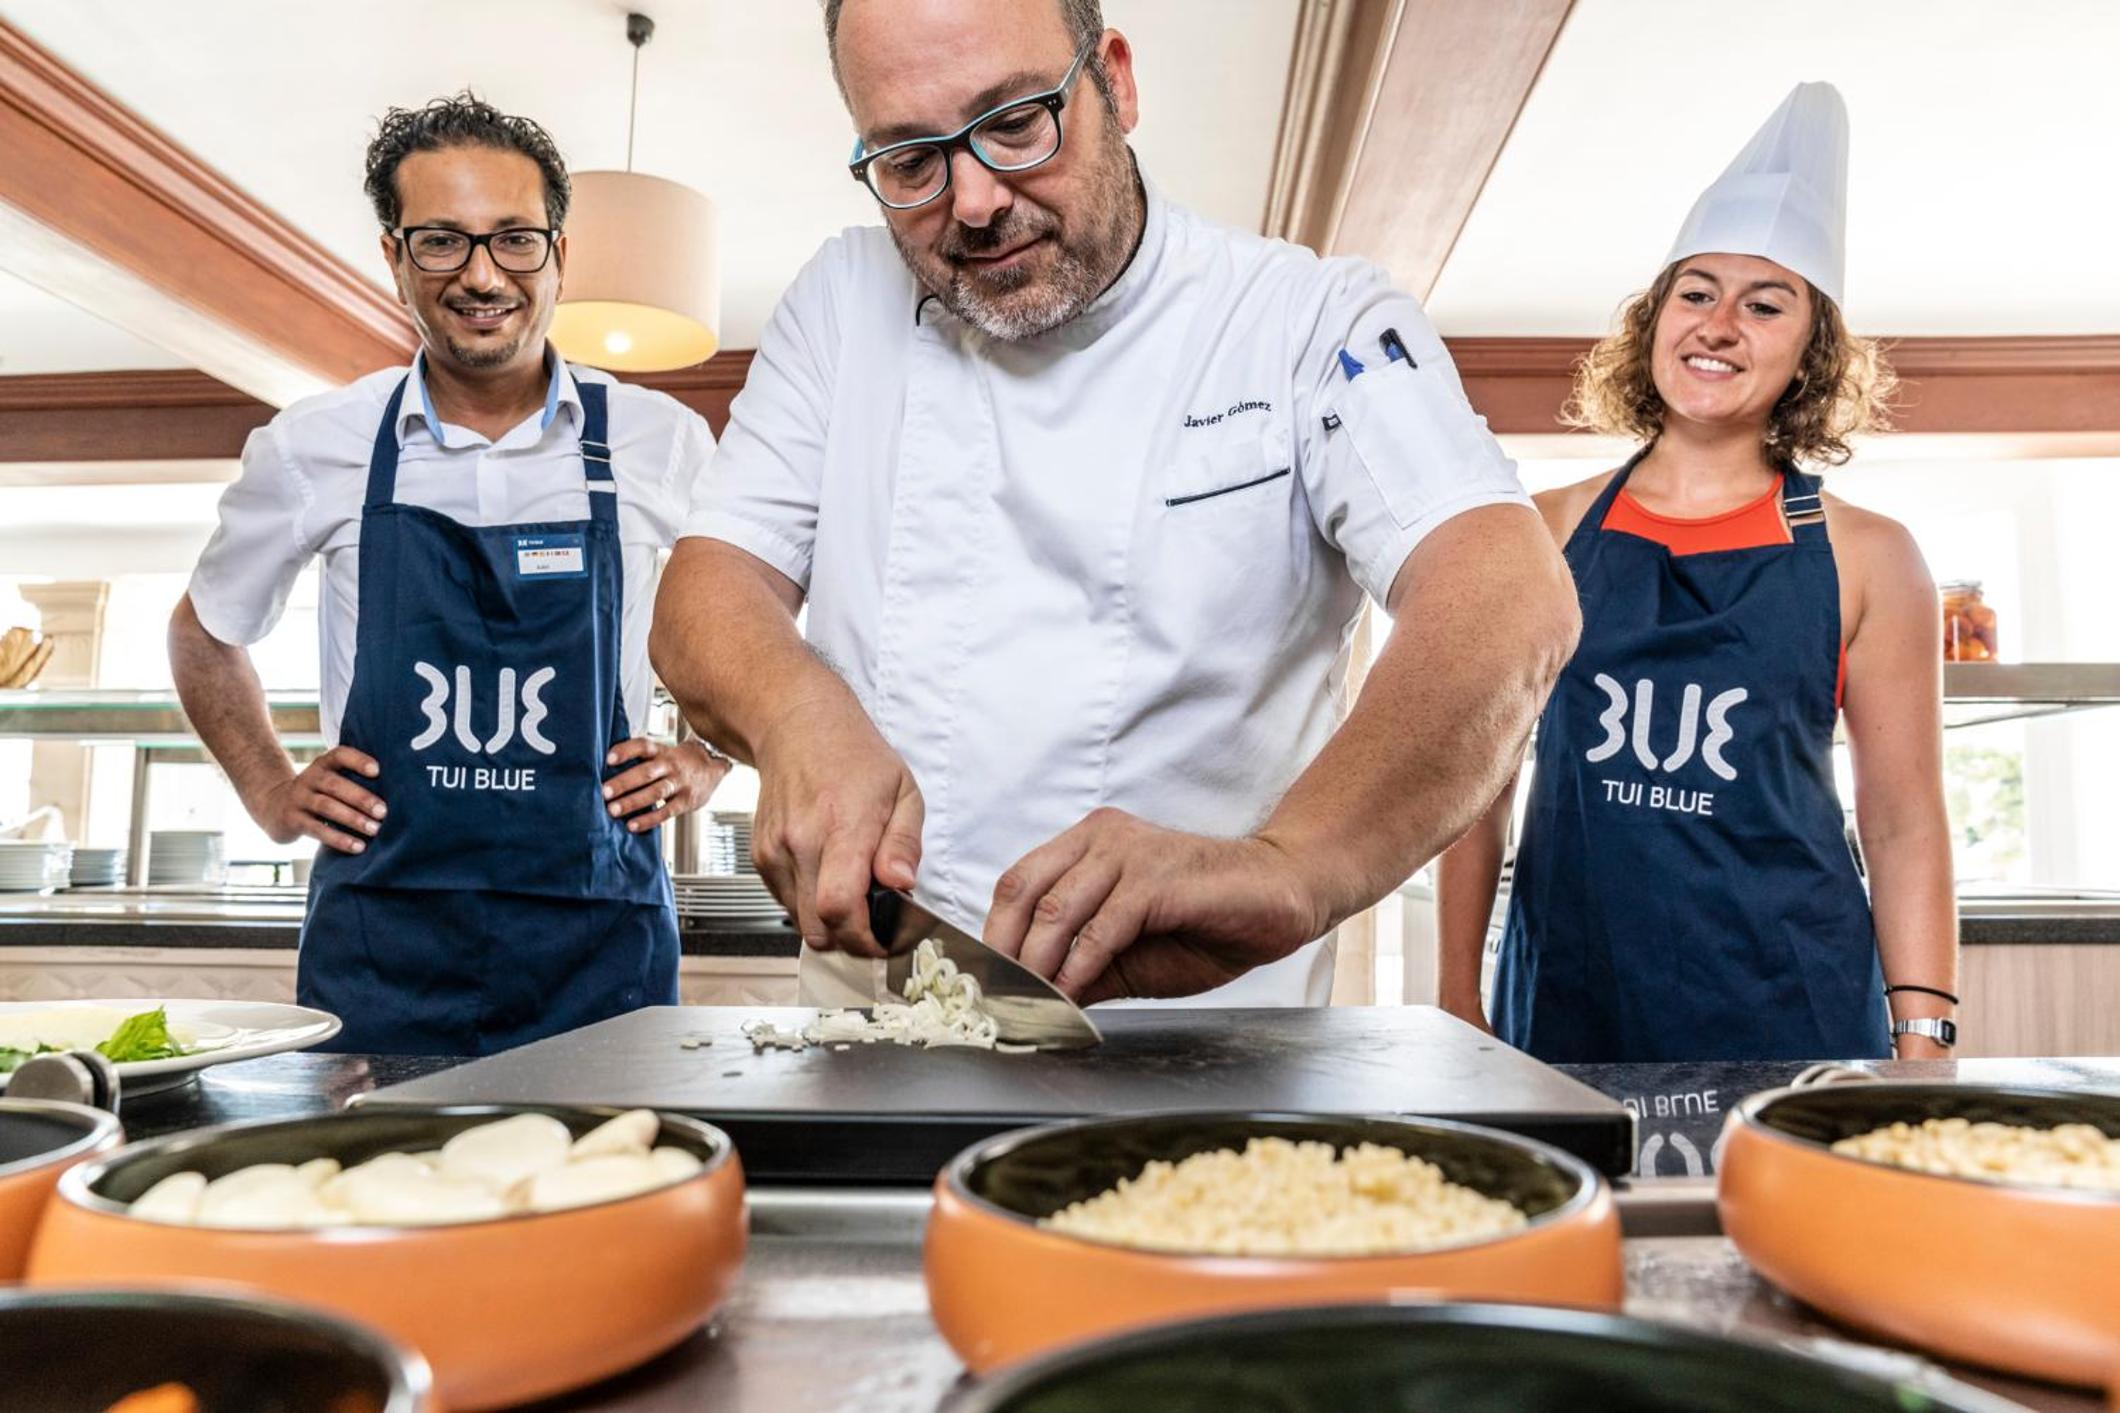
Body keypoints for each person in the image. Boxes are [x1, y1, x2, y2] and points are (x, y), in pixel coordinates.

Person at [649, 0, 1579, 1007]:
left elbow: (1505, 602)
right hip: (876, 1033)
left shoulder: (1308, 322)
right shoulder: (841, 300)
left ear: (1116, 82)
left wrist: (1292, 869)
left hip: (1207, 1054)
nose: (973, 201)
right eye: (911, 161)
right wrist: (795, 715)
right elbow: (706, 592)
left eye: (1015, 124)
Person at [169, 94, 726, 1055]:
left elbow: (760, 620)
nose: (481, 275)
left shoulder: (660, 441)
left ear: (559, 254)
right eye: (440, 242)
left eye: (514, 239)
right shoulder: (315, 445)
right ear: (394, 258)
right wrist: (268, 788)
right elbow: (203, 631)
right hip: (384, 945)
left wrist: (708, 758)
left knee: (613, 1158)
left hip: (599, 942)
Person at [1436, 83, 1958, 1062]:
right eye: (1696, 293)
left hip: (1794, 1004)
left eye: (1764, 305)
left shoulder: (1870, 557)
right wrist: (1455, 1001)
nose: (1719, 324)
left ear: (1809, 353)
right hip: (1569, 996)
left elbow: (1902, 822)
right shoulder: (1542, 531)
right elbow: (1477, 789)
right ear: (1653, 321)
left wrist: (1923, 1044)